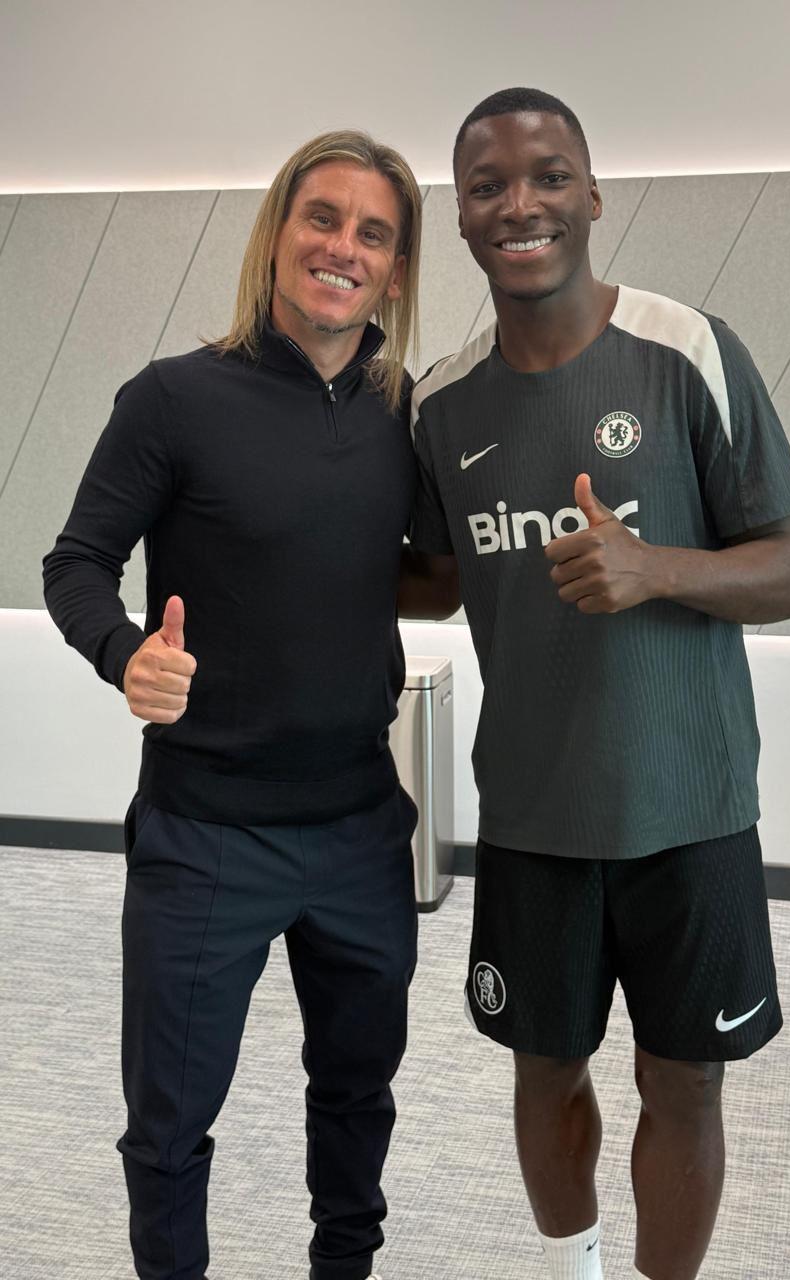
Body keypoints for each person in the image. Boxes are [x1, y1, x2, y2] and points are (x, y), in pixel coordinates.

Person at [405, 88, 790, 1280]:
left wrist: (656, 566)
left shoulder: (687, 348)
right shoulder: (440, 402)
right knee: (544, 1069)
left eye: (549, 175)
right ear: (462, 215)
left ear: (591, 194)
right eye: (488, 185)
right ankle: (576, 1268)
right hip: (535, 814)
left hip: (691, 808)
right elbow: (437, 575)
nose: (520, 204)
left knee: (684, 1079)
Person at [42, 129, 429, 1280]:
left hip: (361, 827)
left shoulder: (406, 412)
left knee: (357, 1098)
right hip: (205, 831)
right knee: (167, 1129)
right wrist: (124, 655)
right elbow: (76, 562)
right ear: (277, 232)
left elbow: (426, 566)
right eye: (323, 217)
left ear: (395, 270)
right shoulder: (173, 398)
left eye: (373, 233)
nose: (343, 247)